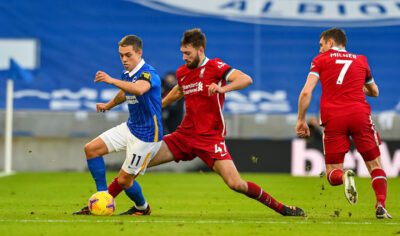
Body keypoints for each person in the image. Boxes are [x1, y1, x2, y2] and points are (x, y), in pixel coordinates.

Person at [99, 28, 305, 217]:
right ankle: (102, 203)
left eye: (188, 53)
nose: (184, 57)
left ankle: (283, 209)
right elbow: (178, 91)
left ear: (200, 50)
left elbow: (245, 79)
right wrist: (159, 104)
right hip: (184, 136)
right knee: (131, 169)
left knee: (236, 184)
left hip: (210, 139)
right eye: (182, 53)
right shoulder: (183, 72)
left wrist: (222, 88)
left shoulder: (215, 66)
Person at [295, 27, 391, 219]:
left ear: (331, 42)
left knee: (332, 173)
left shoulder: (319, 60)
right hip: (359, 115)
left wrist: (301, 120)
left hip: (333, 118)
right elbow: (375, 92)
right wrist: (355, 84)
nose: (320, 49)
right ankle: (380, 205)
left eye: (321, 45)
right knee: (375, 165)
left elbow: (306, 92)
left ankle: (345, 176)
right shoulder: (361, 60)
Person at [73, 35, 163, 216]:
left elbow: (139, 89)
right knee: (91, 149)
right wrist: (108, 105)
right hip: (130, 127)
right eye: (121, 55)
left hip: (147, 137)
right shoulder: (127, 74)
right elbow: (124, 93)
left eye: (128, 55)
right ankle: (102, 196)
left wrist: (110, 80)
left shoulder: (148, 73)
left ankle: (142, 208)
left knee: (124, 181)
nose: (124, 59)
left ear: (139, 53)